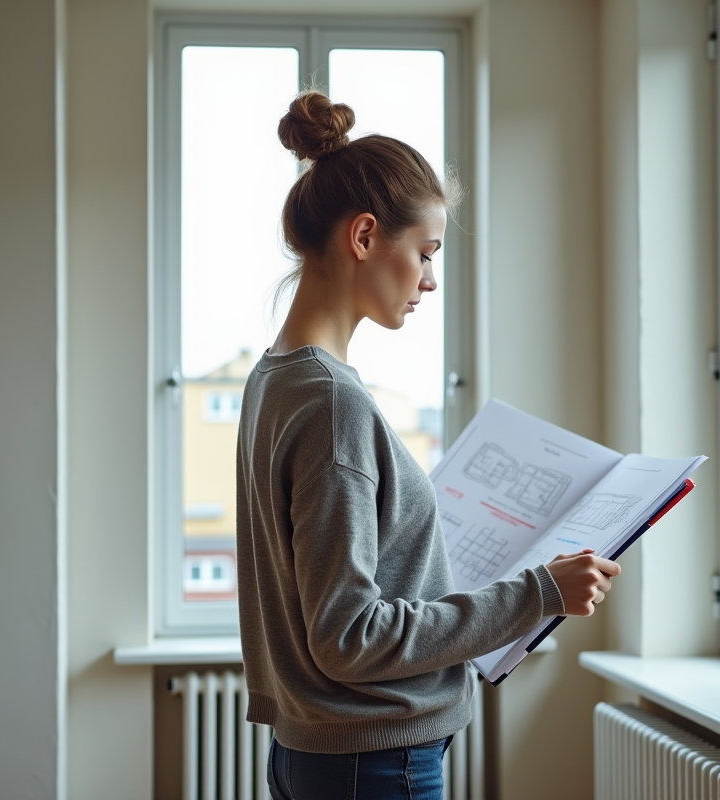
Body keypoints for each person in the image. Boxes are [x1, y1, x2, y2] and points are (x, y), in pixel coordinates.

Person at [236, 90, 621, 800]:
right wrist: (538, 592)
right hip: (374, 765)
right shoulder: (330, 401)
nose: (431, 280)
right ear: (363, 236)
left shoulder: (274, 378)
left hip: (320, 757)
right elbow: (348, 636)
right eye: (425, 252)